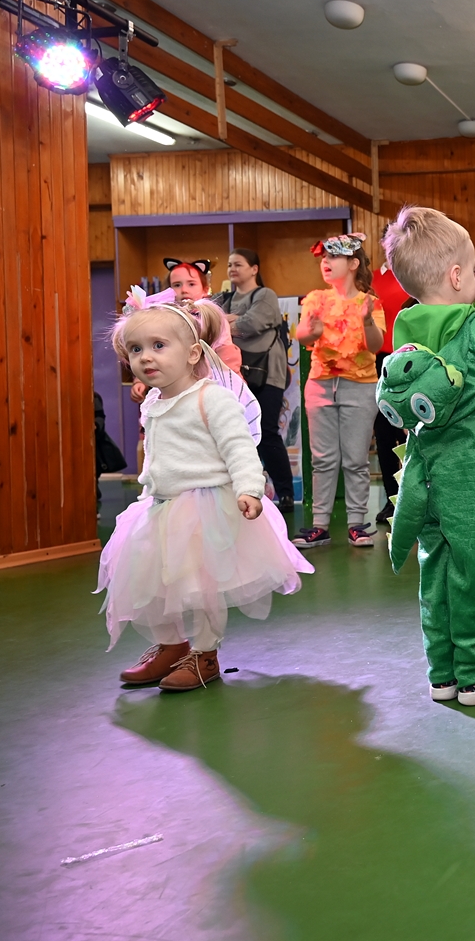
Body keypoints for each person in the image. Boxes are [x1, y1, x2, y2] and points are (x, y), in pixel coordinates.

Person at [97, 299, 312, 692]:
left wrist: (249, 488)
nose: (146, 357)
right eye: (136, 349)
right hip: (160, 508)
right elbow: (158, 456)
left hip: (205, 510)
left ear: (193, 352)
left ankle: (205, 653)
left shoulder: (211, 398)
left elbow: (239, 448)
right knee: (153, 586)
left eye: (158, 345)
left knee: (202, 589)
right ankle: (170, 646)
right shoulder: (153, 401)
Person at [380, 205, 475, 705]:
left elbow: (450, 353)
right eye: (470, 271)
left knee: (437, 569)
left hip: (426, 472)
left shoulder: (404, 331)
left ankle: (444, 674)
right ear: (455, 275)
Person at [291, 233, 385, 549]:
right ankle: (320, 525)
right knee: (323, 459)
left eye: (333, 257)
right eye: (324, 258)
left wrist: (367, 321)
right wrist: (311, 331)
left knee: (356, 459)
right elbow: (303, 335)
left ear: (353, 263)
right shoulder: (316, 299)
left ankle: (357, 524)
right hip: (320, 385)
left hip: (361, 386)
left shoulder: (370, 302)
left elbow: (375, 345)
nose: (326, 263)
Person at [219, 248, 296, 511]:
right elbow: (208, 322)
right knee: (236, 433)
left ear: (254, 269)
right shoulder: (224, 299)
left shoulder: (265, 295)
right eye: (230, 264)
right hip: (234, 376)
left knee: (267, 432)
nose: (232, 269)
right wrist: (232, 320)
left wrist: (225, 324)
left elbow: (252, 324)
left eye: (238, 264)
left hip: (267, 374)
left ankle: (285, 493)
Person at [371, 264, 413, 525]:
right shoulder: (373, 278)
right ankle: (392, 497)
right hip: (380, 360)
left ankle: (419, 497)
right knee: (385, 432)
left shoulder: (417, 270)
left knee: (414, 429)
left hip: (413, 355)